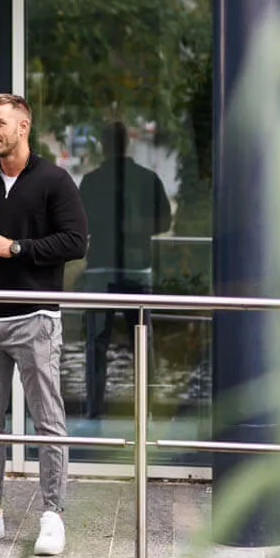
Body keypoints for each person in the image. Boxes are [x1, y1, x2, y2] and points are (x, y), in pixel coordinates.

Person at [0, 93, 88, 557]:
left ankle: (53, 514)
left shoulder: (54, 180)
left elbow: (75, 241)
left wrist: (15, 249)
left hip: (36, 318)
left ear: (23, 127)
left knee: (48, 420)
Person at [79, 121, 171, 418]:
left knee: (96, 344)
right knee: (142, 340)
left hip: (99, 271)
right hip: (137, 268)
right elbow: (165, 223)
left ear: (104, 146)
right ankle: (147, 410)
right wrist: (137, 228)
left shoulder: (91, 182)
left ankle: (94, 410)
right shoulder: (147, 178)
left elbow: (82, 225)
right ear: (126, 144)